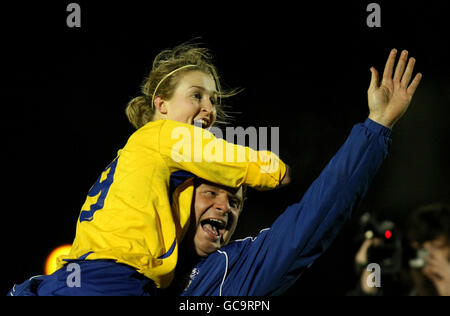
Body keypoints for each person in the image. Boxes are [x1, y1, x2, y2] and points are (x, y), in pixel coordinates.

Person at [8, 47, 421, 296]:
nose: (224, 206)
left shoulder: (231, 276)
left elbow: (315, 215)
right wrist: (272, 169)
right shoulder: (160, 147)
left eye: (235, 199)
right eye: (210, 191)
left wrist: (375, 129)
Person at [8, 42, 289, 295]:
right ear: (161, 104)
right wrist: (277, 171)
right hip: (113, 280)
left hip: (72, 278)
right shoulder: (163, 135)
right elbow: (230, 159)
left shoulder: (136, 153)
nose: (209, 109)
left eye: (213, 100)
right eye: (196, 95)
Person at [350, 203, 450, 296]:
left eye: (436, 246)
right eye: (418, 249)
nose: (425, 256)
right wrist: (367, 292)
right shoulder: (403, 287)